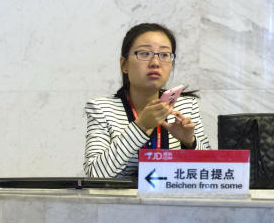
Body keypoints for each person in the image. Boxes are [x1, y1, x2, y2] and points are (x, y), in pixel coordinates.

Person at [84, 23, 212, 178]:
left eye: (164, 55)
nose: (155, 63)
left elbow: (210, 172)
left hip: (174, 201)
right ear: (124, 64)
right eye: (144, 54)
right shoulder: (101, 109)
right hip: (122, 202)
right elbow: (95, 175)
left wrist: (189, 142)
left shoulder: (185, 105)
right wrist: (141, 126)